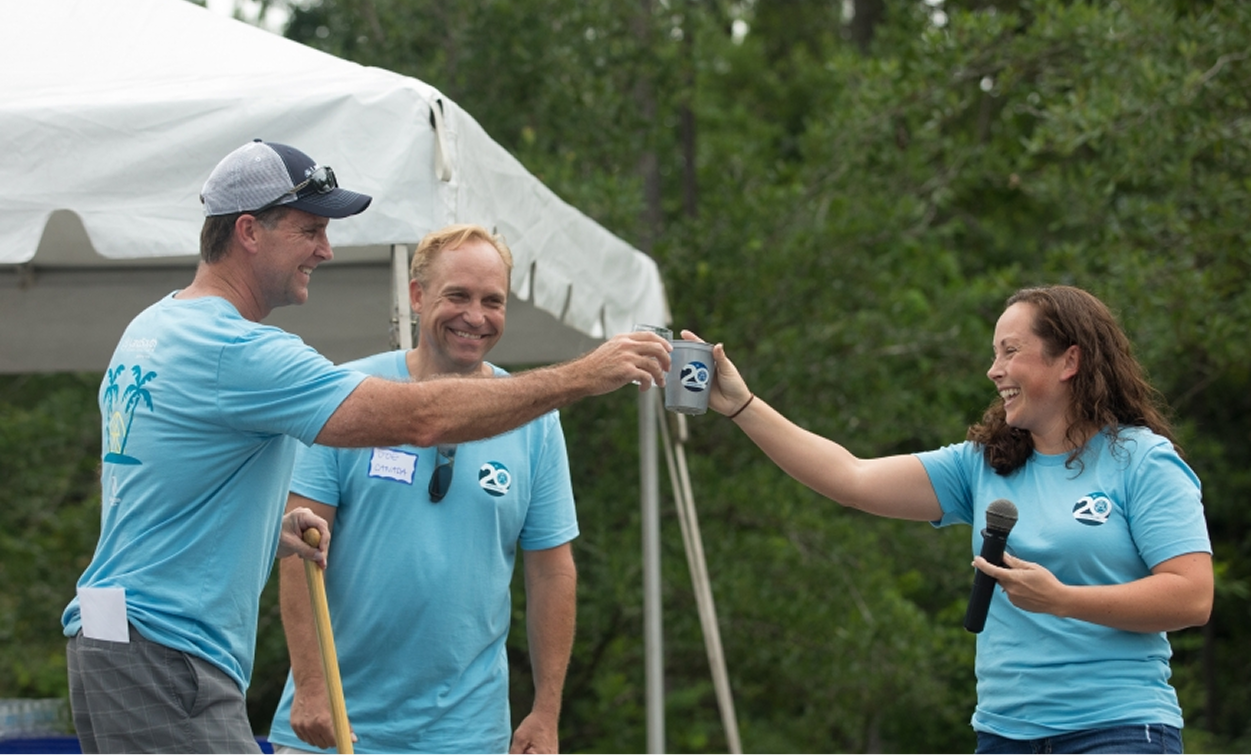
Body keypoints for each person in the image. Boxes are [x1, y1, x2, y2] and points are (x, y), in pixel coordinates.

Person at [62, 140, 670, 755]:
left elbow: (151, 482)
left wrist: (265, 524)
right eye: (310, 230)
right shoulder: (236, 349)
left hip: (116, 635)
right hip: (166, 651)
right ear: (249, 231)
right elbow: (424, 417)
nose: (326, 250)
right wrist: (581, 376)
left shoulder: (155, 327)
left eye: (493, 300)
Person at [689, 285, 1212, 755]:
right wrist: (743, 406)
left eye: (1011, 351)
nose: (994, 370)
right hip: (1004, 735)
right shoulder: (980, 463)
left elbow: (1192, 596)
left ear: (1069, 360)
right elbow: (850, 477)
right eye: (993, 354)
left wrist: (1063, 600)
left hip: (1117, 731)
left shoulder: (1143, 461)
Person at [267, 224, 578, 755]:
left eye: (492, 301)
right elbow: (299, 552)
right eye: (457, 295)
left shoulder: (535, 420)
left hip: (468, 736)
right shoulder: (349, 395)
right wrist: (312, 686)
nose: (475, 316)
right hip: (338, 727)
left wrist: (546, 712)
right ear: (416, 296)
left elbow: (551, 569)